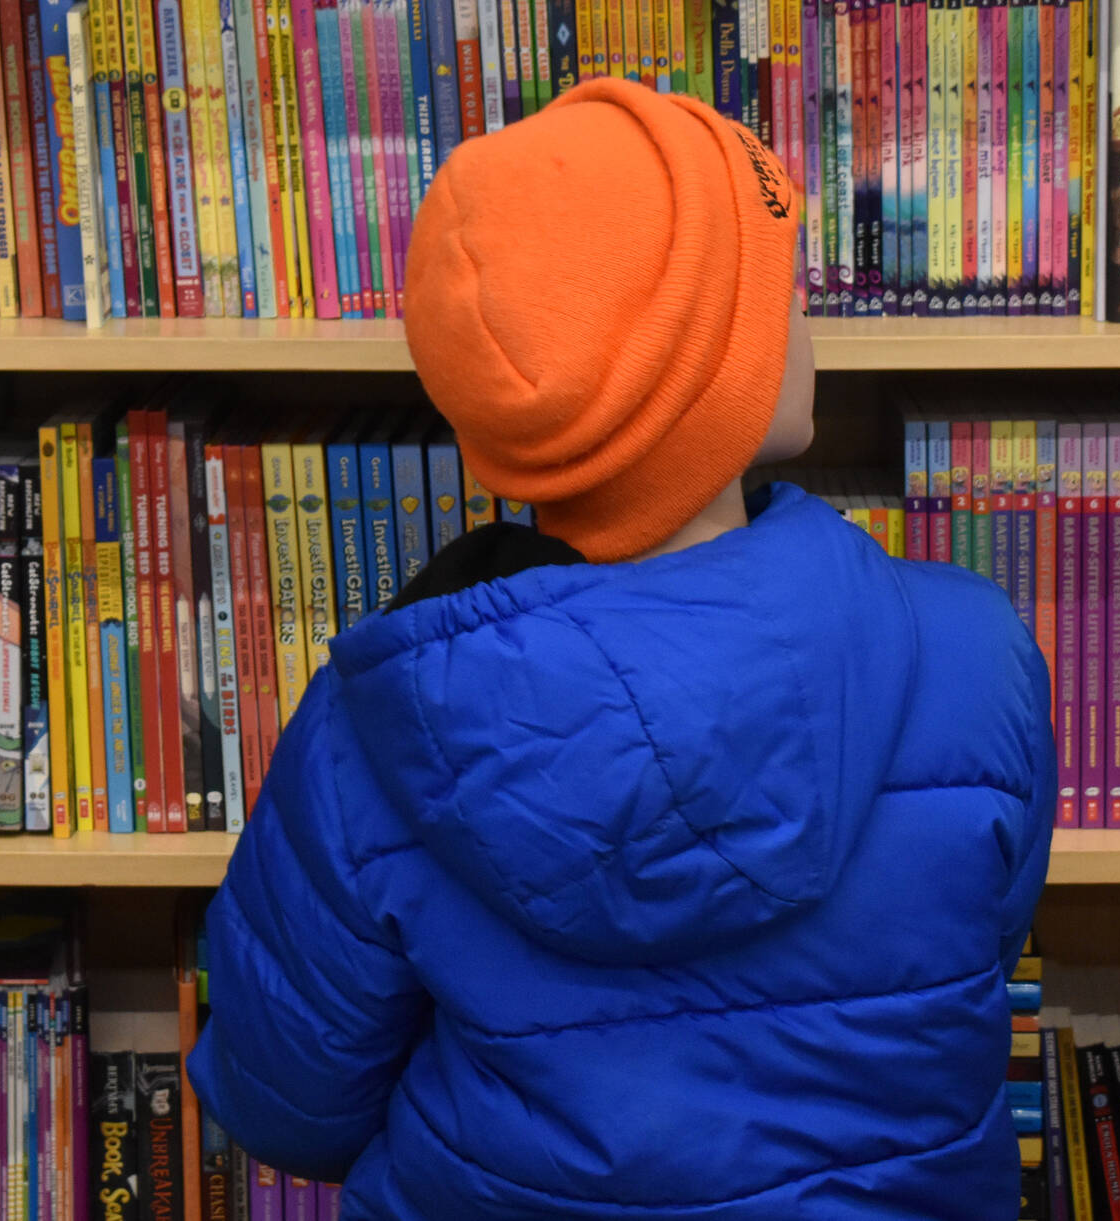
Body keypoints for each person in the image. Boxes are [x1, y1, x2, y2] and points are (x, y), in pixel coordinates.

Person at [189, 77, 1056, 1220]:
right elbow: (978, 974)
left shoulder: (371, 734)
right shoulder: (973, 653)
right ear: (707, 374)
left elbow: (282, 1106)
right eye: (775, 293)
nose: (803, 323)